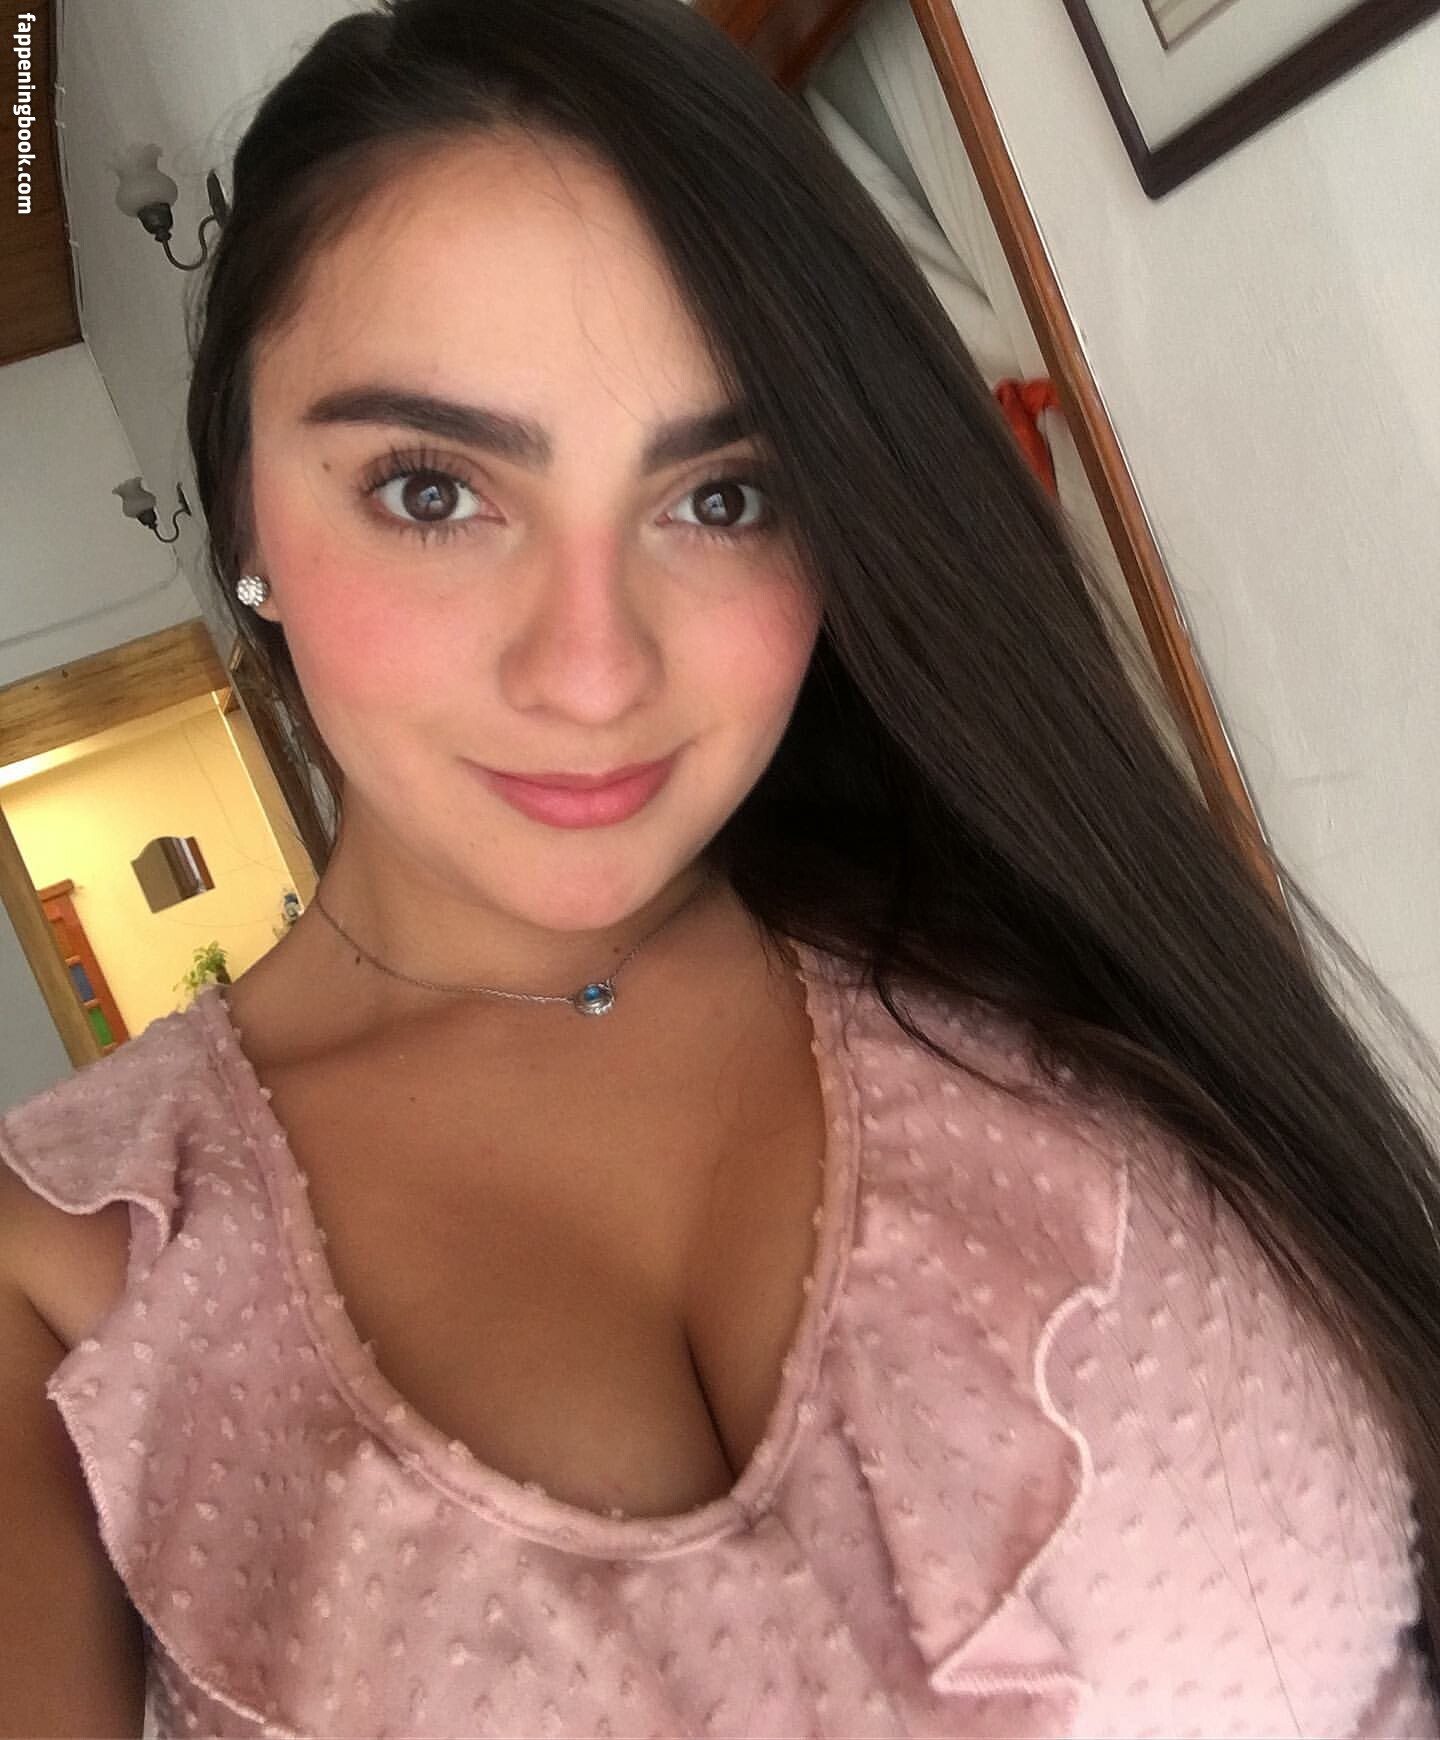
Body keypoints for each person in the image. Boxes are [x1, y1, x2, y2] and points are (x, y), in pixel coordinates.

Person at [3, 0, 1439, 1733]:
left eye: (724, 495)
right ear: (243, 510)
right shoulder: (64, 1283)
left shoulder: (1045, 915)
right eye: (434, 491)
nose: (594, 671)